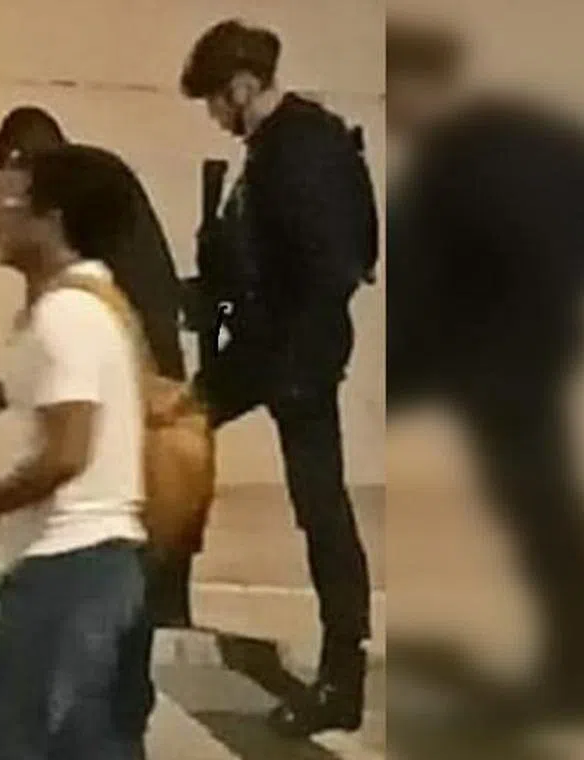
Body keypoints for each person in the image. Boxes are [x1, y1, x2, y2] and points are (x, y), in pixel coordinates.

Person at [0, 146, 154, 760]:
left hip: (67, 577)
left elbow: (67, 453)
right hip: (85, 572)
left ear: (53, 220)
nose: (3, 215)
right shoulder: (90, 302)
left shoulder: (67, 315)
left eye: (18, 203)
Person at [387, 18, 584, 718]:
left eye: (394, 92)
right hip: (507, 363)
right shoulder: (490, 148)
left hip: (511, 367)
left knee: (544, 515)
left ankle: (579, 674)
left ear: (420, 82)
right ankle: (575, 668)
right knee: (540, 514)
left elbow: (483, 270)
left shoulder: (489, 154)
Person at [0, 105, 199, 628]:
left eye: (21, 199)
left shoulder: (72, 286)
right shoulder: (92, 199)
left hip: (139, 405)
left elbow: (65, 445)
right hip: (142, 385)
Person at [180, 19, 377, 736]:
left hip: (292, 355)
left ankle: (342, 679)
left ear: (241, 87)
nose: (214, 114)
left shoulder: (300, 149)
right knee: (182, 426)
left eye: (215, 99)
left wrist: (269, 335)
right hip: (274, 348)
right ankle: (167, 590)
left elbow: (332, 264)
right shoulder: (284, 145)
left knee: (319, 506)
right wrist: (215, 296)